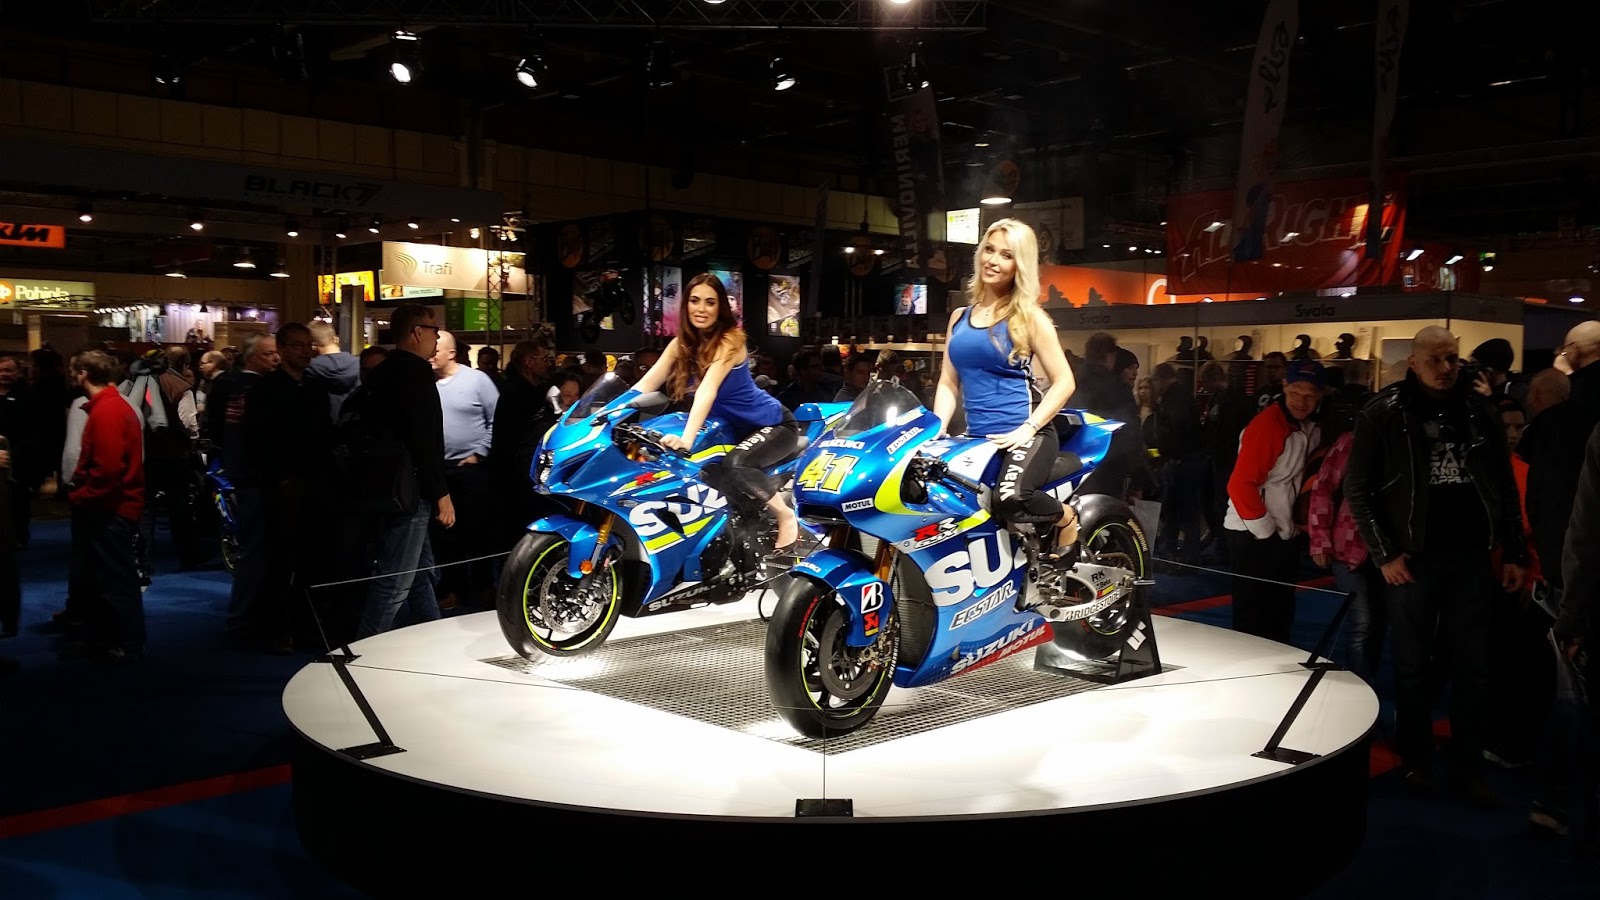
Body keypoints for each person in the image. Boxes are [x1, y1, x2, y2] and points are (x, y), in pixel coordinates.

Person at [1344, 326, 1526, 806]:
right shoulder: (1383, 412)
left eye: (1452, 358)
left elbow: (1503, 485)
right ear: (1413, 362)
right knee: (1412, 666)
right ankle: (1418, 758)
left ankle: (1467, 766)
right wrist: (1384, 553)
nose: (1446, 368)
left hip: (1471, 557)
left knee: (1473, 668)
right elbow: (1357, 488)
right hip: (1413, 560)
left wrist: (1514, 551)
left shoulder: (1479, 411)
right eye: (1436, 359)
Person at [930, 218, 1078, 559]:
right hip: (977, 437)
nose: (993, 260)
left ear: (1019, 265)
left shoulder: (1029, 317)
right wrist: (937, 428)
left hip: (1026, 433)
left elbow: (1065, 381)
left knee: (1011, 498)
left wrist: (1028, 428)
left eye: (1006, 255)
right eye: (990, 250)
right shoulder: (959, 317)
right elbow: (948, 381)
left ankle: (1067, 519)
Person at [629, 273, 801, 553]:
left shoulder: (730, 340)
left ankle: (785, 515)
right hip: (732, 429)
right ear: (685, 305)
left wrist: (686, 439)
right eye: (694, 301)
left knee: (737, 465)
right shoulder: (681, 344)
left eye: (710, 302)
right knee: (698, 473)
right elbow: (643, 386)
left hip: (772, 425)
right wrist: (600, 416)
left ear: (720, 307)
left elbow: (707, 390)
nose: (701, 309)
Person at [357, 305, 454, 638]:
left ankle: (434, 637)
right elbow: (424, 439)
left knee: (419, 575)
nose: (437, 338)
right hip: (410, 490)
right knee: (396, 582)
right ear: (417, 332)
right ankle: (360, 652)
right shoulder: (415, 374)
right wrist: (441, 493)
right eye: (434, 331)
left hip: (384, 486)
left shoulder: (383, 370)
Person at [1223, 359, 1324, 642]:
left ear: (1320, 395)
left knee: (1278, 614)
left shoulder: (1308, 427)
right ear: (1284, 386)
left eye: (1309, 396)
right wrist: (1267, 533)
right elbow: (1240, 485)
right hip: (1254, 534)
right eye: (1296, 393)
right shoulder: (1268, 426)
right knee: (1255, 620)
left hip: (1279, 533)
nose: (1302, 402)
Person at [64, 350, 146, 664]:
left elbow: (108, 469)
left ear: (83, 373)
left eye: (74, 370)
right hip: (106, 505)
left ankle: (124, 643)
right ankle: (106, 640)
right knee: (102, 579)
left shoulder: (107, 410)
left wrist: (81, 495)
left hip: (109, 508)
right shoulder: (109, 407)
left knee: (114, 580)